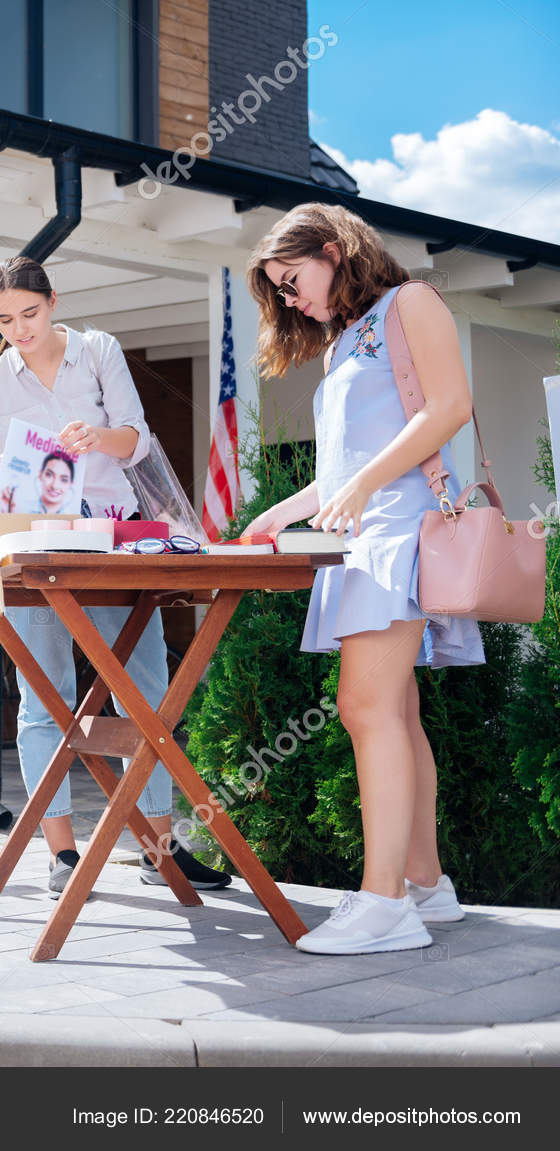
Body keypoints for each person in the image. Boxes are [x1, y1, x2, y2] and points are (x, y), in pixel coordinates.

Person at [245, 203, 482, 955]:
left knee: (365, 705)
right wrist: (278, 513)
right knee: (397, 713)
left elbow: (449, 407)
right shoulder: (346, 339)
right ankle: (425, 886)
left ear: (334, 249)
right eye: (279, 291)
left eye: (292, 279)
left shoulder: (410, 303)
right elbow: (340, 473)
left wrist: (363, 484)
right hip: (366, 538)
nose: (289, 299)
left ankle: (384, 905)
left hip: (399, 534)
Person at [0, 256, 232, 897]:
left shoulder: (98, 351)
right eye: (5, 321)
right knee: (43, 699)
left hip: (115, 541)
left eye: (29, 313)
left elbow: (137, 439)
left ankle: (158, 848)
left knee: (144, 689)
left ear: (52, 301)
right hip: (36, 553)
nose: (20, 329)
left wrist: (97, 438)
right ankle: (62, 854)